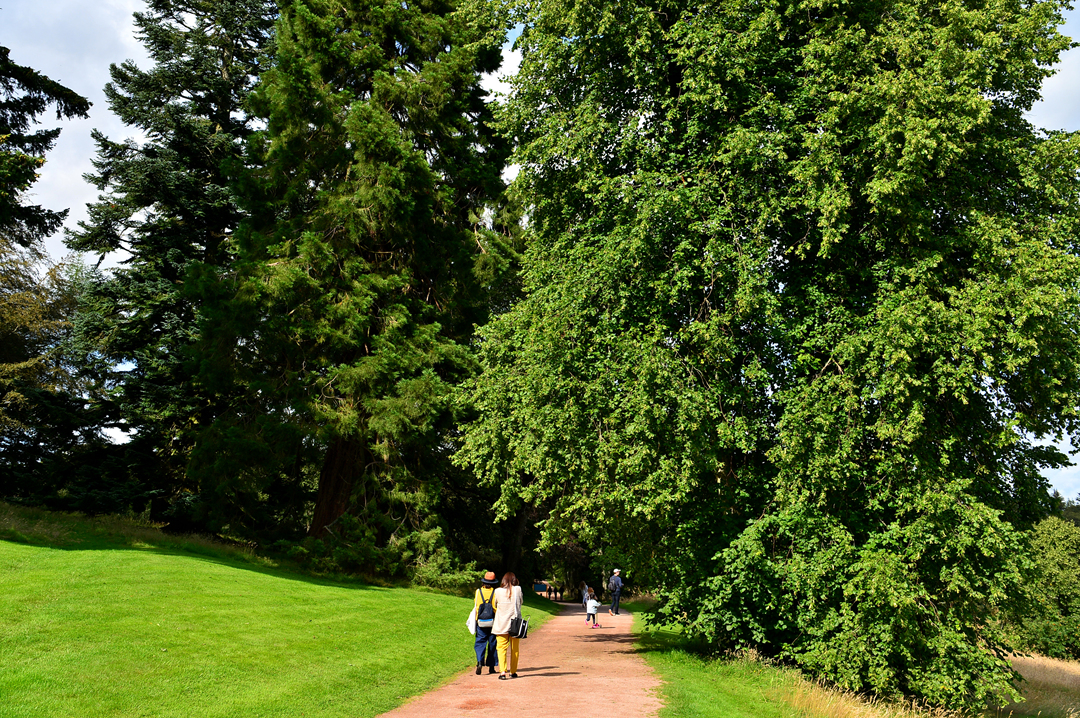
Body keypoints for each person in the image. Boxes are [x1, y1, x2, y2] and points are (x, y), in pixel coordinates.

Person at [492, 571, 524, 680]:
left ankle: (502, 672)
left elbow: (494, 605)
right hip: (515, 623)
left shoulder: (497, 591)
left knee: (501, 648)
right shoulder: (518, 589)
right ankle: (513, 671)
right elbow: (521, 602)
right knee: (515, 649)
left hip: (501, 623)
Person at [473, 571, 500, 675]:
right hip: (493, 621)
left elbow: (476, 604)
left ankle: (480, 662)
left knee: (480, 642)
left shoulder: (478, 591)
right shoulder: (495, 592)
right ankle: (491, 666)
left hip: (480, 621)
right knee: (492, 643)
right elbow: (495, 607)